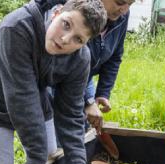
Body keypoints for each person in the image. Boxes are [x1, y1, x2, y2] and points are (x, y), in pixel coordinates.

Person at [0, 0, 107, 164]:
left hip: (33, 87)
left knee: (50, 156)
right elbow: (21, 97)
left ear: (85, 44)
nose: (65, 39)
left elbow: (71, 111)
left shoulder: (80, 59)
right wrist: (35, 158)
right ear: (57, 13)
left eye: (78, 39)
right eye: (66, 24)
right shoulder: (17, 27)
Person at [37, 0, 135, 133]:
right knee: (58, 131)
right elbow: (75, 64)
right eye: (119, 2)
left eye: (130, 4)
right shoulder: (79, 13)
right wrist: (89, 101)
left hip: (82, 80)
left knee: (81, 128)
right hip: (55, 81)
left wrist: (103, 92)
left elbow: (115, 57)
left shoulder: (122, 17)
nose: (124, 9)